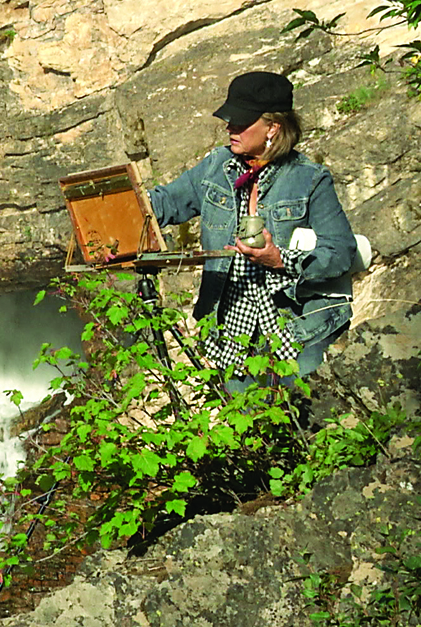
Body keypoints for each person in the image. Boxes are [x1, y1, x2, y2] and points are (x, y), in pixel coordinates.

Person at [147, 71, 356, 391]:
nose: (230, 127)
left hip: (299, 333)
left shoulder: (310, 179)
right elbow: (164, 204)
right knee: (247, 435)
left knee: (306, 426)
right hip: (233, 336)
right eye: (230, 119)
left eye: (241, 121)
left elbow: (341, 251)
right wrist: (116, 215)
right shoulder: (217, 166)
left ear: (273, 127)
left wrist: (281, 260)